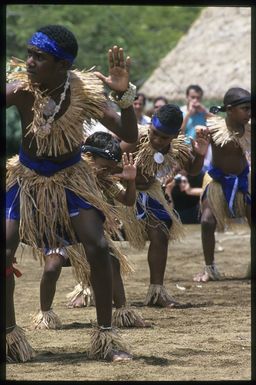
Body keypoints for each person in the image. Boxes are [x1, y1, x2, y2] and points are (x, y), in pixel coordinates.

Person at [6, 24, 138, 362]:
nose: (30, 62)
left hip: (71, 177)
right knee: (4, 249)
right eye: (30, 54)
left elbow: (129, 135)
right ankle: (9, 337)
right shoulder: (22, 89)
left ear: (63, 65)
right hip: (27, 176)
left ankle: (107, 338)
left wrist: (124, 98)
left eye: (40, 57)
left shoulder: (84, 93)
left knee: (96, 246)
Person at [33, 132, 147, 329]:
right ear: (89, 157)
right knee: (52, 268)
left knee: (112, 261)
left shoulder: (104, 179)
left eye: (111, 168)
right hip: (60, 232)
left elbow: (127, 200)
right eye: (105, 166)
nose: (108, 171)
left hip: (89, 233)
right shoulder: (65, 172)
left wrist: (131, 181)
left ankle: (123, 312)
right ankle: (45, 314)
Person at [119, 104, 210, 308]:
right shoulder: (135, 138)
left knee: (160, 233)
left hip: (150, 193)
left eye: (164, 138)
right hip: (120, 191)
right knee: (100, 240)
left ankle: (157, 292)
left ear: (175, 135)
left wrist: (201, 154)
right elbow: (109, 162)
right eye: (155, 134)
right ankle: (87, 288)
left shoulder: (176, 146)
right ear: (150, 124)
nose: (157, 140)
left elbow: (193, 170)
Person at [193, 87, 251, 282]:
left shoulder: (250, 129)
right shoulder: (213, 128)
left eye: (250, 108)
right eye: (245, 108)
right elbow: (198, 152)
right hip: (217, 181)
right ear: (230, 109)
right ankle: (209, 268)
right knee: (207, 221)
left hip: (243, 181)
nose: (249, 112)